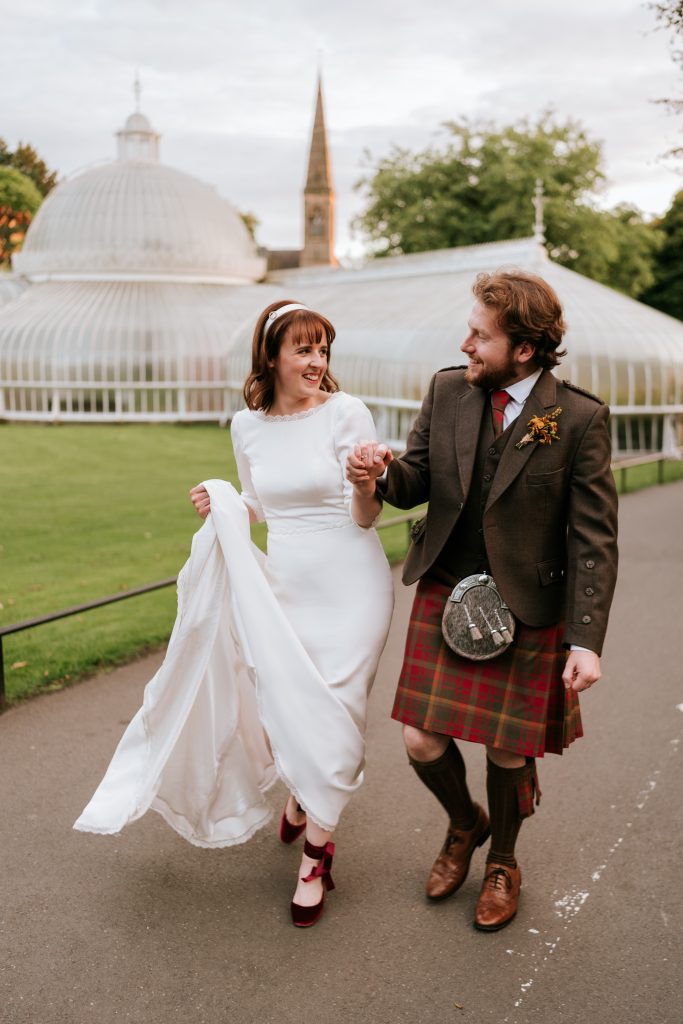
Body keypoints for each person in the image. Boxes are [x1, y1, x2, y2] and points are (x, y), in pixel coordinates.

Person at [75, 300, 393, 929]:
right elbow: (260, 503)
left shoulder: (347, 412)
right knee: (286, 703)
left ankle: (315, 858)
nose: (316, 361)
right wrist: (221, 499)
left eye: (323, 349)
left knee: (340, 709)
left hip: (352, 584)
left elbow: (365, 517)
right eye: (303, 348)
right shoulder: (245, 427)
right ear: (272, 355)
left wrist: (365, 483)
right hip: (285, 584)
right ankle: (302, 795)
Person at [347, 269, 618, 932]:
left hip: (527, 605)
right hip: (447, 588)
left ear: (523, 349)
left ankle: (502, 860)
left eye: (479, 335)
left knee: (505, 749)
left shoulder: (577, 417)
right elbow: (414, 480)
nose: (464, 343)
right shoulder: (447, 391)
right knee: (418, 738)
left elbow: (592, 539)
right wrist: (380, 470)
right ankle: (463, 823)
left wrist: (584, 639)